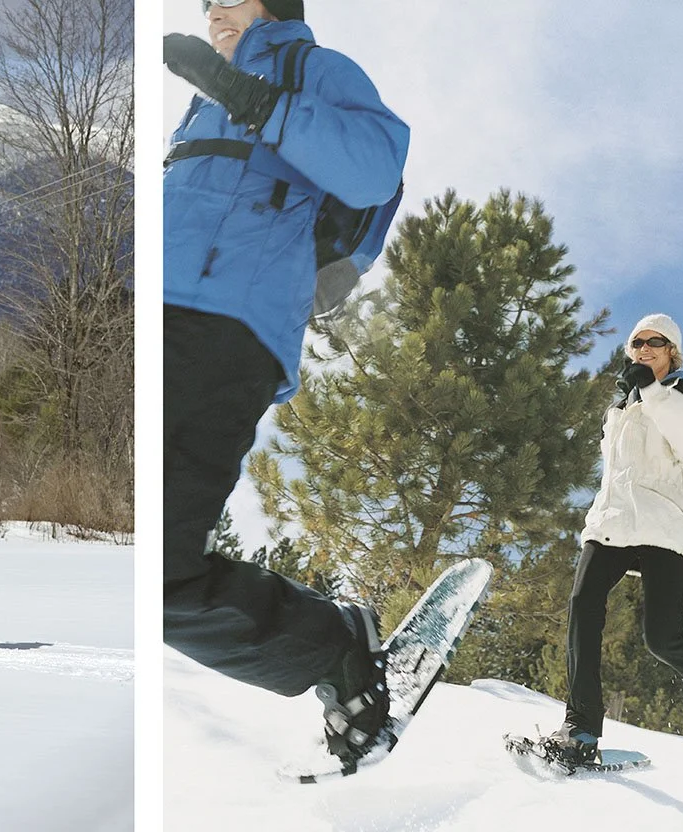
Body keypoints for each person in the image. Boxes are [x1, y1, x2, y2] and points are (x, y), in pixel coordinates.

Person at [163, 0, 410, 767]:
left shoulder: (316, 69)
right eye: (204, 8)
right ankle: (330, 651)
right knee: (155, 576)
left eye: (226, 1)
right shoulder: (204, 96)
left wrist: (255, 99)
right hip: (162, 317)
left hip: (231, 330)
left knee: (161, 576)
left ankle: (333, 652)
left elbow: (375, 164)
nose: (211, 15)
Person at [549, 313, 683, 764]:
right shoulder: (620, 408)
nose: (643, 349)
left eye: (654, 343)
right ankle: (580, 728)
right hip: (613, 522)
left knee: (661, 637)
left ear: (671, 352)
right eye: (637, 343)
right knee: (584, 606)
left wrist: (653, 390)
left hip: (663, 523)